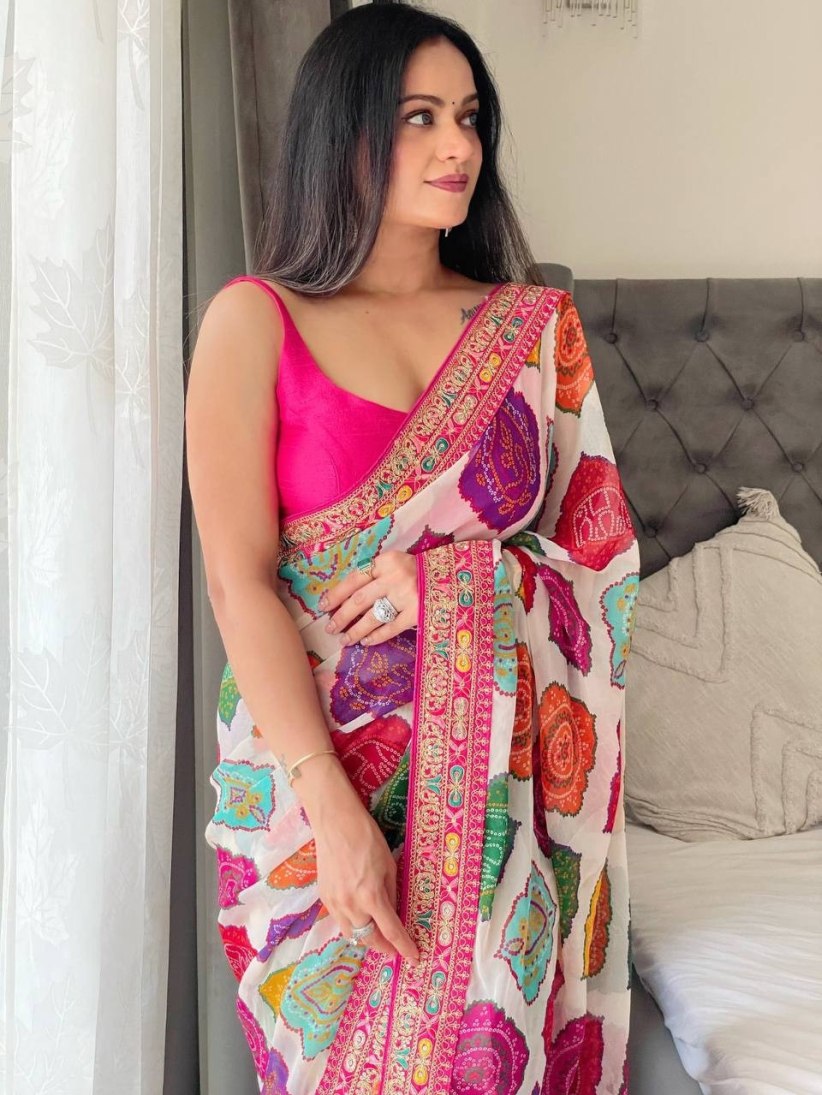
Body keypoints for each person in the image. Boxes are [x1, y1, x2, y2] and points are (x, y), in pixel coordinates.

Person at [186, 4, 640, 1092]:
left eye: (469, 117)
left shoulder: (532, 332)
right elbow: (240, 585)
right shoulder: (255, 321)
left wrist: (461, 582)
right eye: (419, 117)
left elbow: (603, 570)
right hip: (312, 788)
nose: (457, 147)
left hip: (504, 804)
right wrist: (333, 810)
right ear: (340, 131)